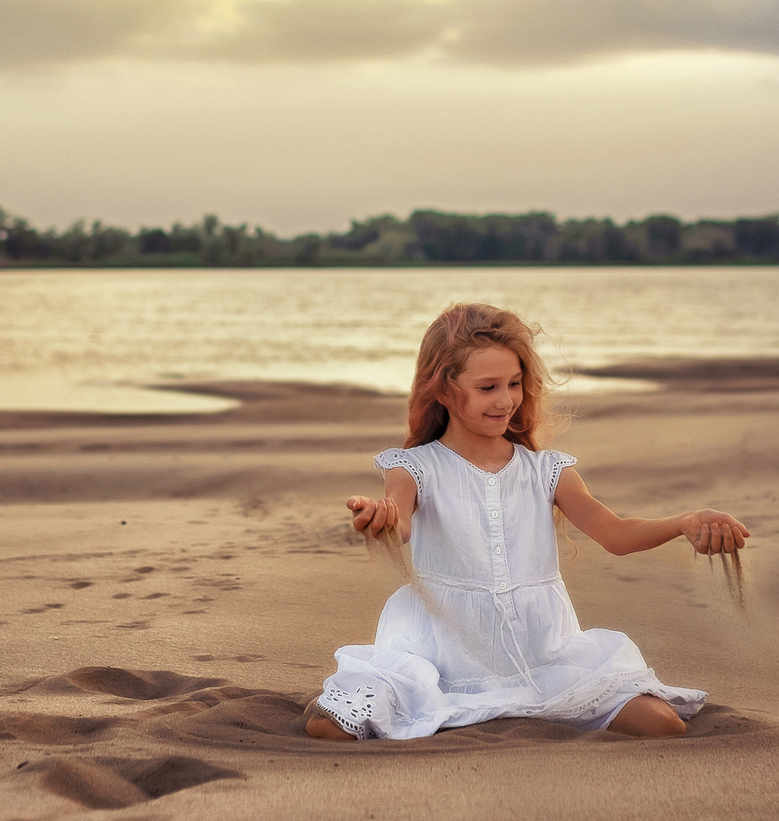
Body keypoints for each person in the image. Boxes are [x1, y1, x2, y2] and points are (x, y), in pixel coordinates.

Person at [306, 302, 748, 741]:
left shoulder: (547, 470)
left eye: (514, 383)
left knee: (662, 724)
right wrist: (381, 518)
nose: (505, 401)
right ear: (442, 391)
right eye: (488, 387)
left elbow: (615, 534)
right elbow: (399, 525)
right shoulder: (415, 467)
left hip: (544, 658)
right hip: (441, 656)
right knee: (331, 728)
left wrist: (684, 522)